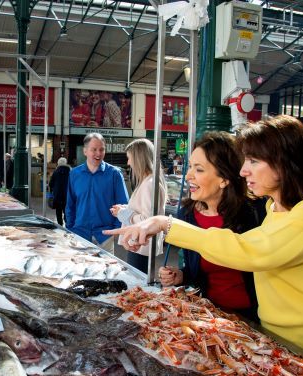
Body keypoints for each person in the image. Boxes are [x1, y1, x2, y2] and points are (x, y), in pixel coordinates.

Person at [105, 115, 303, 373]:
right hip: (273, 336)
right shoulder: (274, 207)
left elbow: (251, 251)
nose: (244, 170)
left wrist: (166, 224)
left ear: (284, 162)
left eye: (253, 161)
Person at [157, 132, 264, 322]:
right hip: (208, 315)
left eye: (198, 169)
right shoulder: (187, 214)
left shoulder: (255, 212)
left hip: (254, 319)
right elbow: (195, 271)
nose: (188, 175)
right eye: (190, 167)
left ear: (224, 179)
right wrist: (180, 275)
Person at [110, 139, 166, 273]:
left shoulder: (149, 183)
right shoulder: (148, 181)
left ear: (139, 158)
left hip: (141, 245)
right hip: (139, 244)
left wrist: (123, 213)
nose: (128, 163)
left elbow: (148, 221)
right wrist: (125, 209)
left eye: (129, 158)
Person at [66, 133, 129, 254]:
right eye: (94, 149)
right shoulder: (74, 174)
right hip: (80, 235)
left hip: (104, 236)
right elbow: (70, 204)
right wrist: (71, 228)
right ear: (85, 151)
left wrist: (115, 230)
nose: (98, 153)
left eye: (102, 149)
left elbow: (123, 205)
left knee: (106, 271)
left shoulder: (114, 174)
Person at [49, 157, 71, 226]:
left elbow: (51, 184)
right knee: (66, 209)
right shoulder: (70, 172)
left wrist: (53, 189)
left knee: (58, 210)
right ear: (65, 163)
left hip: (57, 195)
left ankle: (60, 223)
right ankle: (67, 222)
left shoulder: (56, 172)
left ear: (58, 163)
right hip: (67, 195)